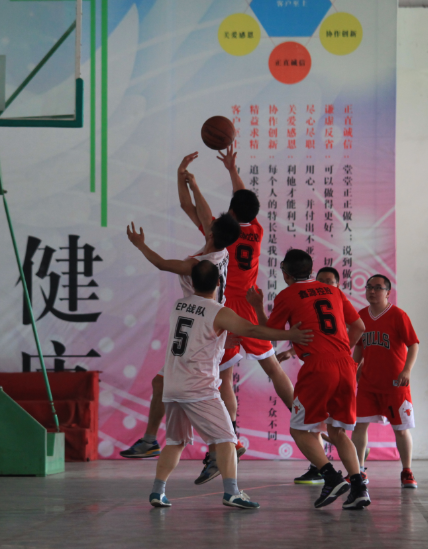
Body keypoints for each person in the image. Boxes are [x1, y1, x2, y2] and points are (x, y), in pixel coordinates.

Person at [178, 148, 300, 485]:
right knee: (273, 368)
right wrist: (233, 170)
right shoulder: (256, 230)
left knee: (224, 378)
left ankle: (228, 438)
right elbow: (243, 199)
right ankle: (303, 418)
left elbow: (205, 211)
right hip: (249, 303)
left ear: (228, 214)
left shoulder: (222, 235)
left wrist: (193, 183)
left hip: (224, 309)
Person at [148, 261, 313, 509]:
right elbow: (253, 330)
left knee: (175, 442)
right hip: (198, 388)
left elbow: (194, 338)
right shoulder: (219, 312)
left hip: (172, 386)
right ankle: (232, 493)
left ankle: (157, 492)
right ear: (219, 282)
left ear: (192, 282)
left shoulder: (179, 305)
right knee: (227, 439)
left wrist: (220, 341)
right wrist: (290, 335)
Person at [119, 165, 240, 460]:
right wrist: (188, 181)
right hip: (207, 322)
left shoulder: (197, 265)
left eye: (210, 223)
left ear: (210, 231)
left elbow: (161, 264)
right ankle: (156, 440)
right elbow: (193, 208)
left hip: (203, 329)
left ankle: (221, 448)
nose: (207, 220)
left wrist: (140, 245)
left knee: (202, 392)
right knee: (174, 385)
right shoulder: (221, 251)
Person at [258, 249, 370, 509]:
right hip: (345, 363)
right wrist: (341, 351)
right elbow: (360, 327)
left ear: (285, 273)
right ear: (311, 270)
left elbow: (269, 333)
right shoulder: (333, 291)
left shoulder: (287, 295)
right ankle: (359, 488)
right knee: (338, 431)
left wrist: (255, 306)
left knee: (299, 430)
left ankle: (331, 477)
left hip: (319, 366)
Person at [351, 275, 421, 488]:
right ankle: (359, 471)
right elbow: (360, 346)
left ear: (388, 292)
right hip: (368, 383)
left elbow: (413, 344)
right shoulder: (361, 316)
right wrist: (354, 368)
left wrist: (407, 370)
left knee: (401, 429)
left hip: (395, 384)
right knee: (359, 426)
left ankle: (407, 471)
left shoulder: (398, 315)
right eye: (369, 287)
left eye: (378, 288)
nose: (372, 291)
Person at [279, 266, 343, 485]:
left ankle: (338, 469)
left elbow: (357, 328)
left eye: (329, 281)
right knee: (316, 424)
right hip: (328, 367)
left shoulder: (338, 302)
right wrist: (291, 351)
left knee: (320, 426)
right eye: (320, 280)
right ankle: (324, 469)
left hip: (329, 369)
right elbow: (315, 336)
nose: (323, 284)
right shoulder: (316, 301)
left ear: (338, 284)